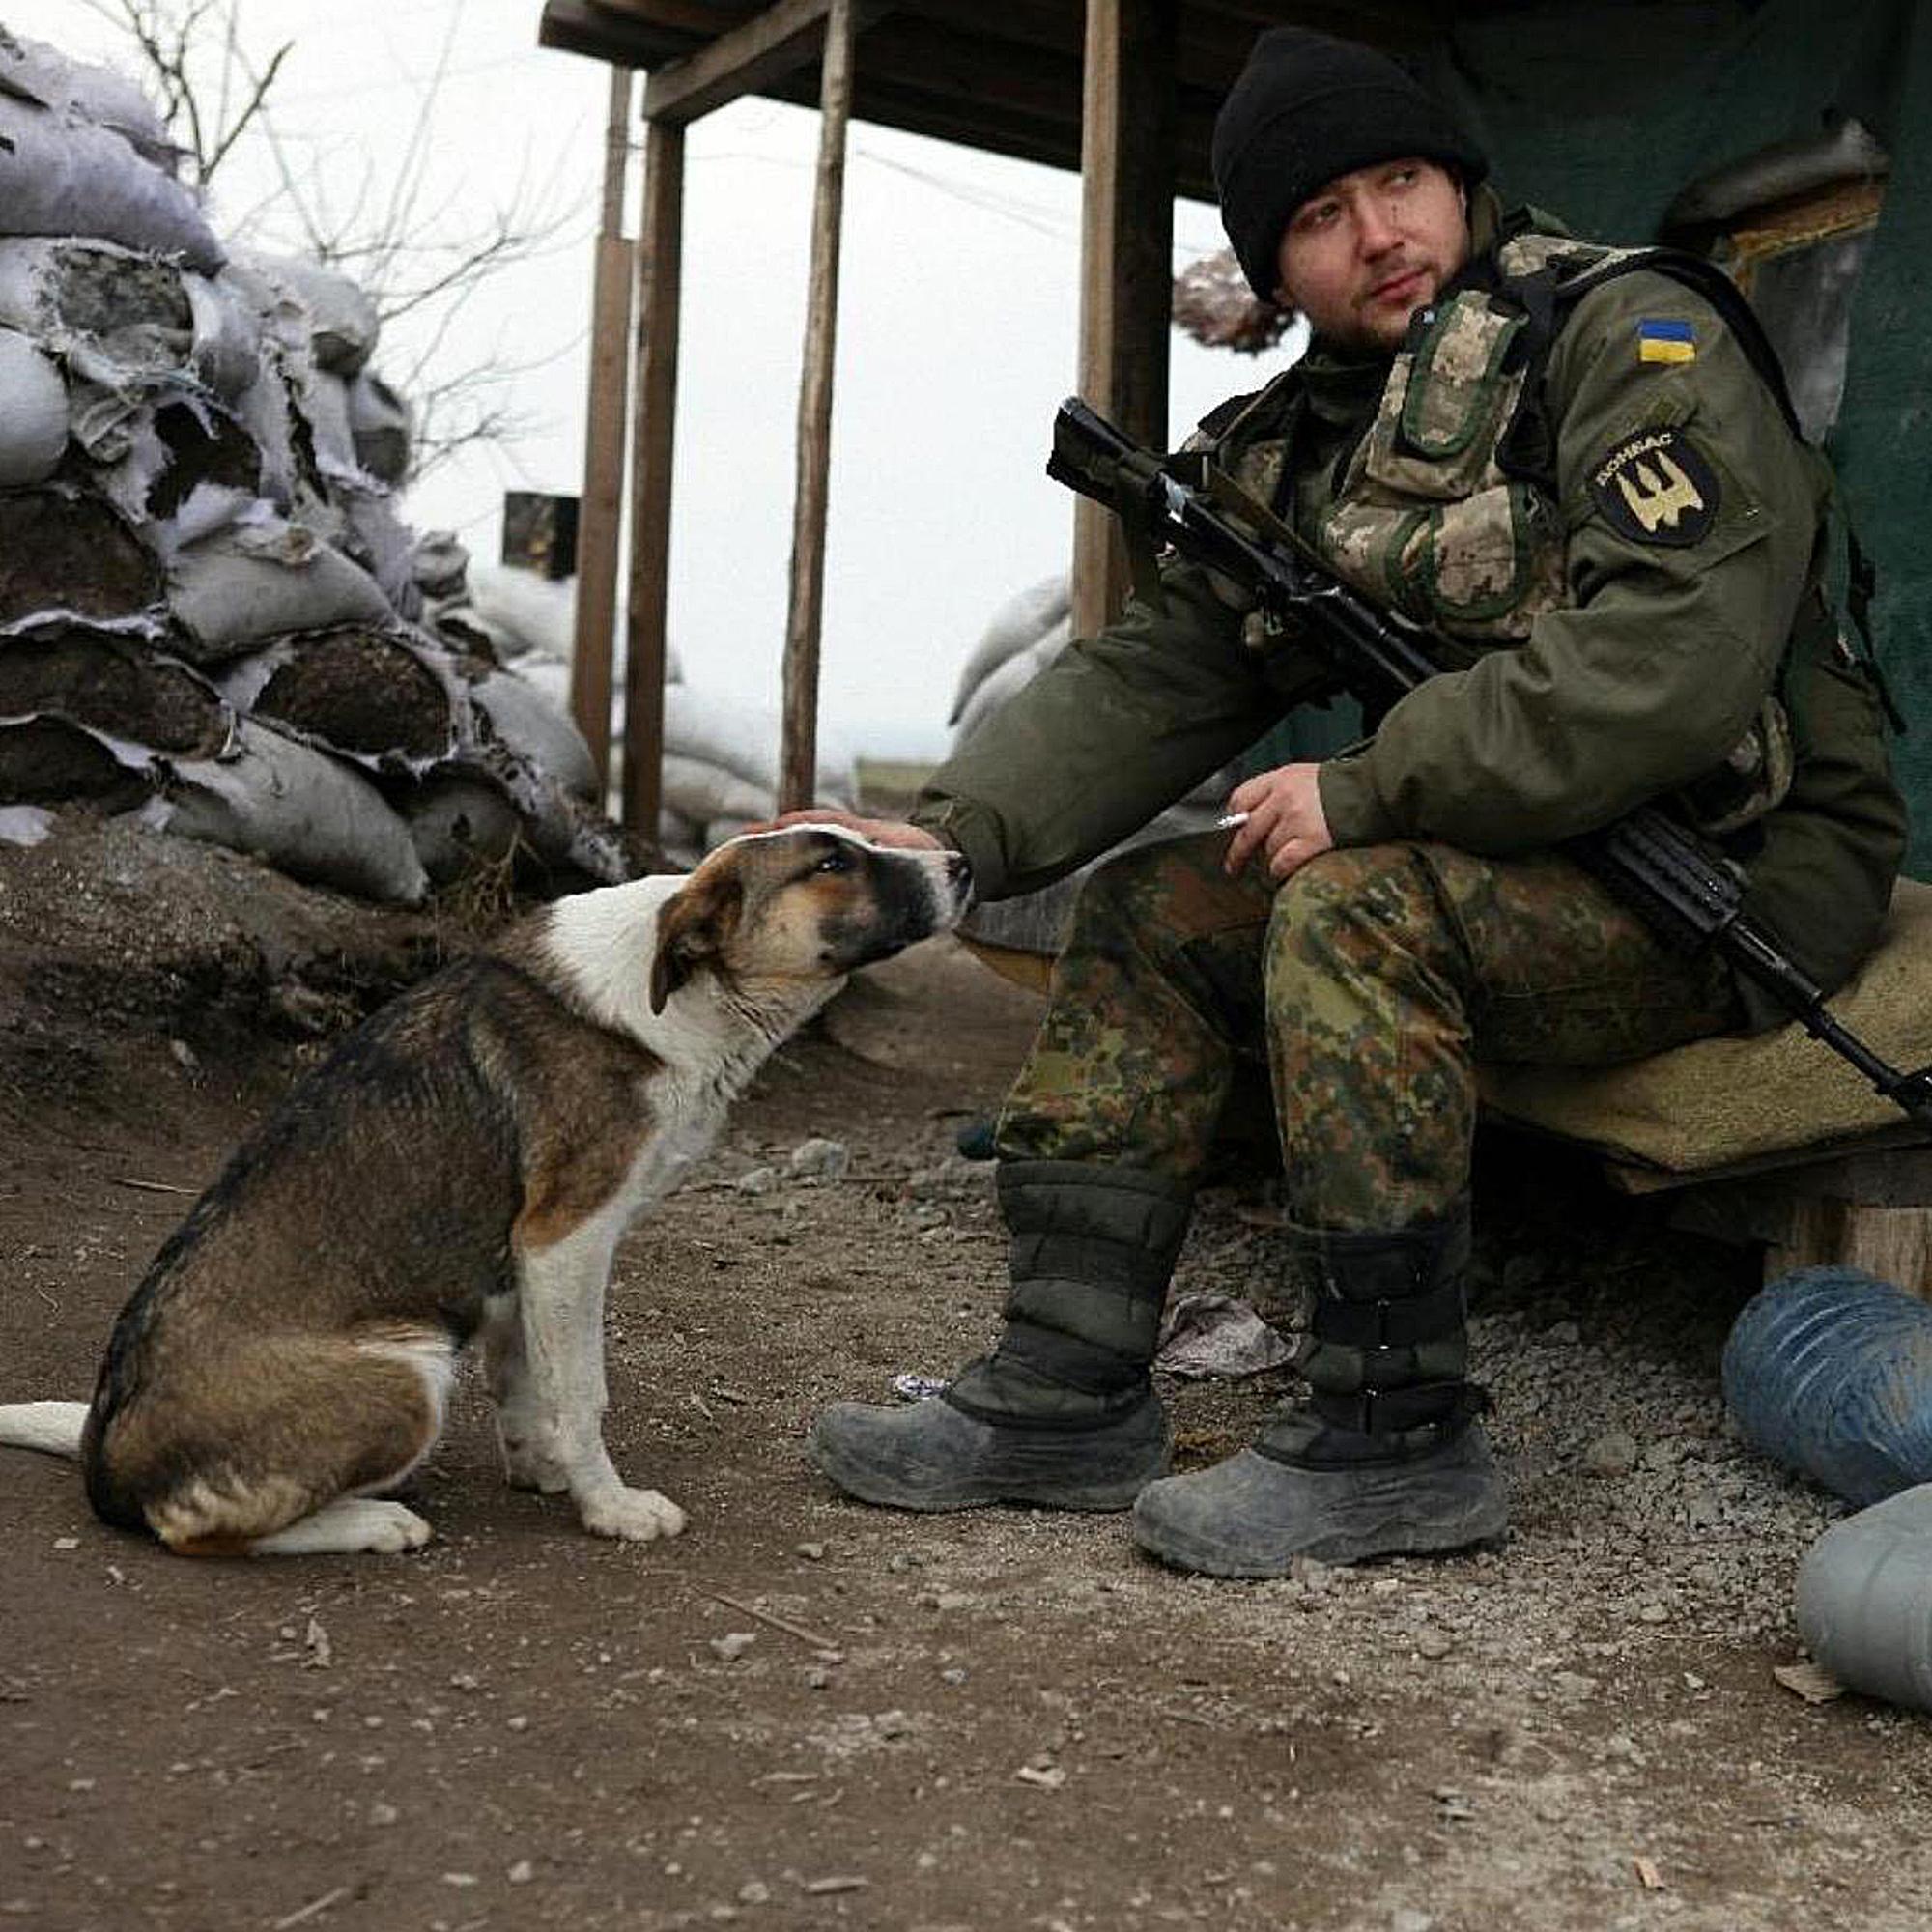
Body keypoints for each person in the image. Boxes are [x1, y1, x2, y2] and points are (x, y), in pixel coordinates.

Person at [779, 27, 1907, 1577]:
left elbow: (1674, 659)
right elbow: (1162, 671)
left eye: (1402, 182)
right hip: (1529, 850)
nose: (1379, 233)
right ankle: (1061, 1390)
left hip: (1735, 871)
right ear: (1276, 270)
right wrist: (958, 830)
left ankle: (1395, 1437)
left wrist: (1375, 787)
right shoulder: (1314, 442)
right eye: (1321, 217)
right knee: (1158, 908)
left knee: (1350, 908)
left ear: (1460, 184)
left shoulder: (1624, 336)